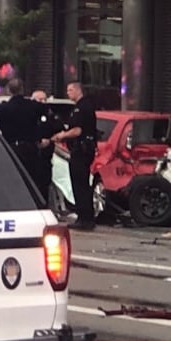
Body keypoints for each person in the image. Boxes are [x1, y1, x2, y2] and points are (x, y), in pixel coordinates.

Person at [0, 78, 53, 201]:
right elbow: (47, 116)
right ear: (23, 90)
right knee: (32, 179)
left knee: (12, 179)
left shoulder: (4, 108)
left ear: (9, 90)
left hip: (11, 148)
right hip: (30, 149)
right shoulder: (33, 106)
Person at [53, 81, 99, 230]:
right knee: (82, 184)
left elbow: (77, 131)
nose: (68, 93)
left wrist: (62, 136)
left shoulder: (82, 108)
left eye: (70, 90)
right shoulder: (82, 106)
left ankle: (84, 219)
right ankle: (86, 217)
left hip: (81, 149)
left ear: (78, 90)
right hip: (83, 149)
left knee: (80, 185)